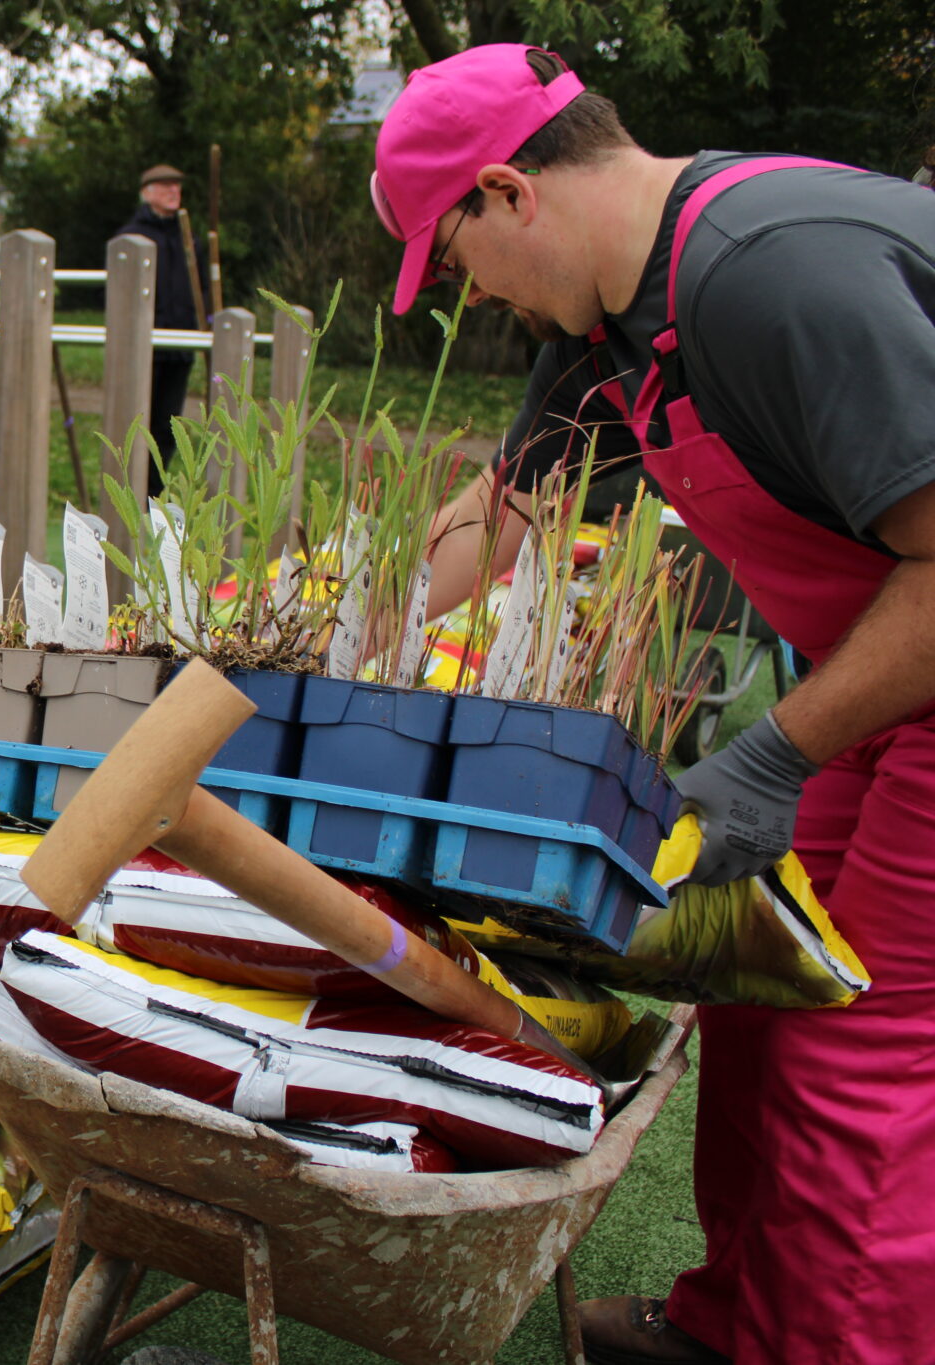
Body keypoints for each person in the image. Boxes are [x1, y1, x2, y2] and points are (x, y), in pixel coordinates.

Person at [372, 43, 935, 1365]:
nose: (478, 297)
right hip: (888, 660)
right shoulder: (613, 319)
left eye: (455, 263)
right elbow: (503, 513)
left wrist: (779, 749)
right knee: (760, 984)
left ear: (509, 193)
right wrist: (332, 606)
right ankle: (741, 1323)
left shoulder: (771, 272)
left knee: (864, 1050)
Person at [112, 164, 208, 492]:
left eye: (177, 187)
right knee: (137, 422)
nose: (174, 192)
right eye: (166, 186)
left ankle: (153, 494)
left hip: (179, 346)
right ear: (147, 192)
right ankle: (130, 492)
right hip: (143, 347)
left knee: (166, 427)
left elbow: (202, 289)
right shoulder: (131, 238)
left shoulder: (189, 240)